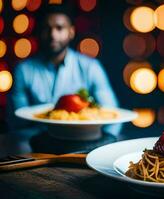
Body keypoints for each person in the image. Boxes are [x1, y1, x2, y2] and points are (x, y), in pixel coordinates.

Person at [7, 5, 121, 136]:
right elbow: (18, 121)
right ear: (38, 31)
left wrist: (103, 144)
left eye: (59, 28)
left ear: (71, 32)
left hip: (83, 142)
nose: (52, 35)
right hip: (36, 143)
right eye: (46, 28)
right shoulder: (23, 70)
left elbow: (113, 116)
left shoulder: (91, 67)